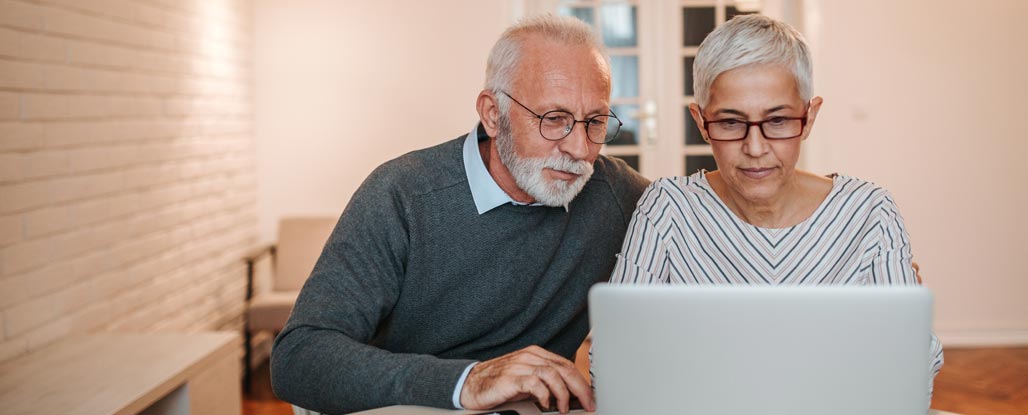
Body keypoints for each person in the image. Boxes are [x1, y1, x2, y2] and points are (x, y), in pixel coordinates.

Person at [269, 15, 649, 414]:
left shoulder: (616, 194)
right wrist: (468, 380)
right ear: (492, 113)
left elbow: (696, 210)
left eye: (595, 122)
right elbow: (298, 356)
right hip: (409, 405)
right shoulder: (403, 195)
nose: (578, 147)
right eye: (554, 119)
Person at [605, 14, 944, 399]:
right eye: (731, 123)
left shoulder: (870, 213)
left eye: (778, 120)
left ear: (810, 116)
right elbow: (615, 360)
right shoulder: (666, 208)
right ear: (701, 122)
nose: (755, 148)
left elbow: (912, 369)